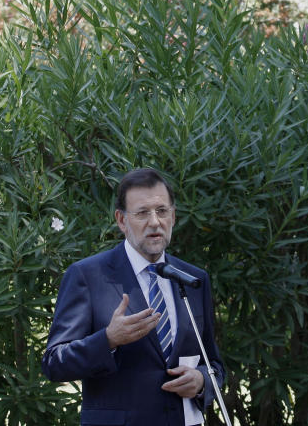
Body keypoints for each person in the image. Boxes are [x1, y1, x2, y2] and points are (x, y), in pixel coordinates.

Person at [42, 168, 224, 426]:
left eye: (162, 211)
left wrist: (202, 380)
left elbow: (214, 363)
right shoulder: (88, 276)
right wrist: (108, 340)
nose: (154, 222)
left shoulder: (193, 279)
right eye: (142, 213)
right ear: (121, 220)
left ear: (173, 216)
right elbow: (54, 363)